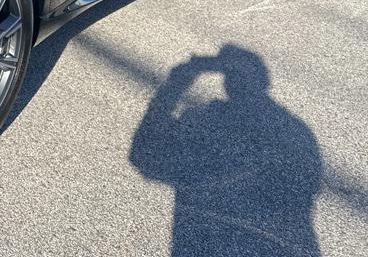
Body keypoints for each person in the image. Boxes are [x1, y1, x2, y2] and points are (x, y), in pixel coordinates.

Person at [130, 45, 321, 256]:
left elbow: (144, 155)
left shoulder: (205, 122)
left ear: (226, 81)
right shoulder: (295, 131)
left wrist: (172, 89)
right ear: (263, 82)